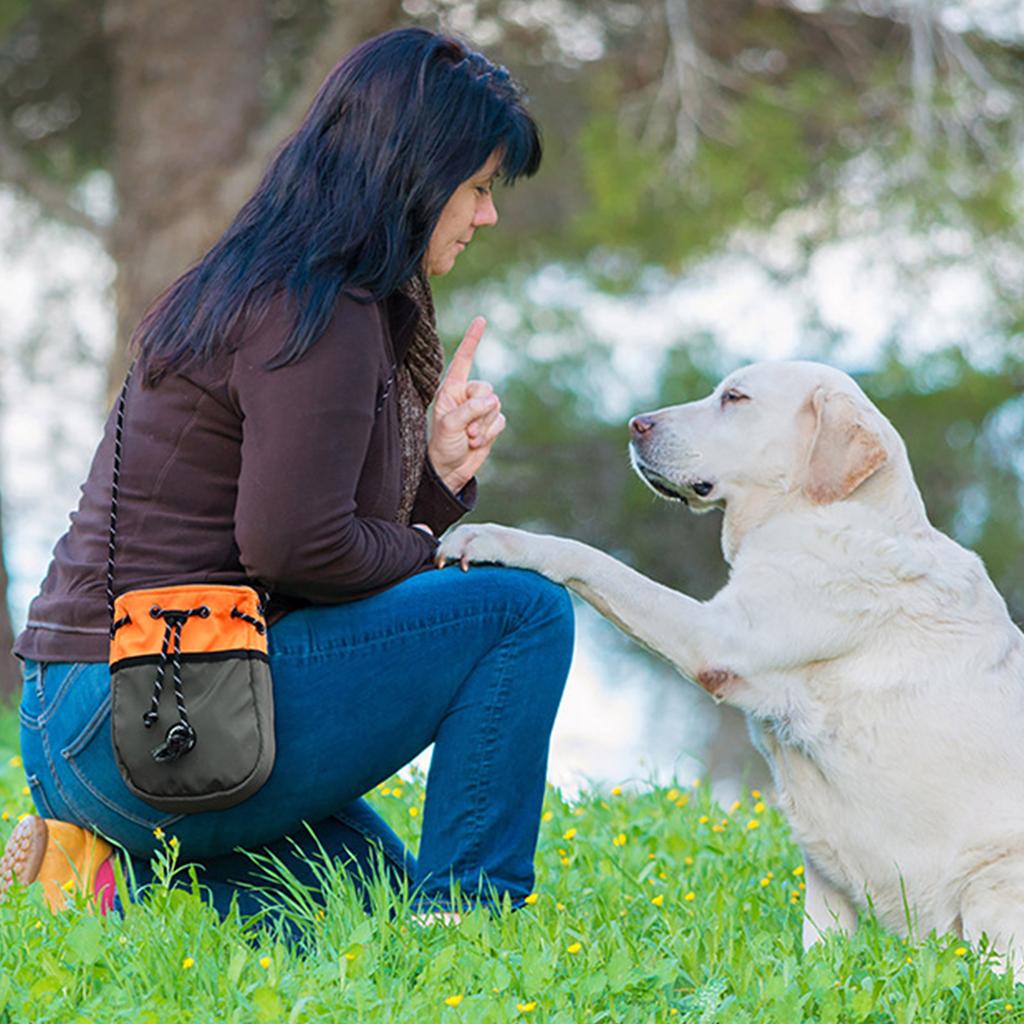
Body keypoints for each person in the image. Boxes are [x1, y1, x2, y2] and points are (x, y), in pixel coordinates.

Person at [1, 27, 574, 923]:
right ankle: (474, 918)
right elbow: (297, 548)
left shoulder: (273, 281)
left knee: (370, 906)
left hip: (103, 716)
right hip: (141, 715)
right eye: (476, 187)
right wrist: (430, 540)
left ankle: (98, 879)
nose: (486, 215)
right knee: (523, 611)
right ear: (413, 177)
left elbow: (307, 545)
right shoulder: (317, 311)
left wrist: (435, 479)